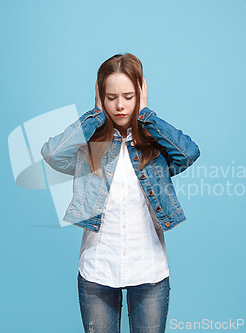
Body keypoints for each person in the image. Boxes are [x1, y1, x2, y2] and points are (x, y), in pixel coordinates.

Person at [41, 53, 200, 333]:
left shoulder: (155, 145)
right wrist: (94, 116)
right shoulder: (90, 145)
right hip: (97, 270)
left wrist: (147, 115)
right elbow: (53, 153)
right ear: (100, 97)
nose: (120, 105)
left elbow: (189, 153)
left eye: (128, 96)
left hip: (148, 271)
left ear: (140, 94)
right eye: (111, 96)